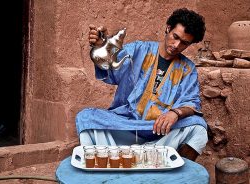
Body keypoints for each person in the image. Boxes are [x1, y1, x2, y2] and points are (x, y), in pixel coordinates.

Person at [76, 8, 208, 161]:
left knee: (198, 128)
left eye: (184, 43)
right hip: (125, 125)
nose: (176, 45)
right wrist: (101, 47)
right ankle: (112, 163)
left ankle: (166, 168)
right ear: (168, 28)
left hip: (160, 134)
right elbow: (111, 65)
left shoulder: (187, 68)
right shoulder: (139, 49)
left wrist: (175, 113)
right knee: (86, 117)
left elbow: (192, 102)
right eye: (175, 37)